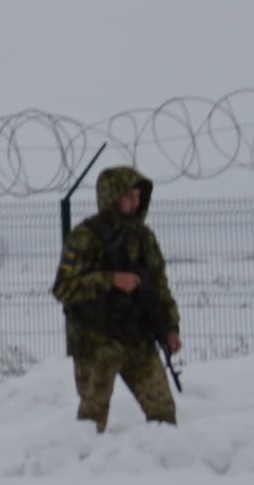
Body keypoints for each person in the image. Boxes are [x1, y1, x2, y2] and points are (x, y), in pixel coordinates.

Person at [51, 164, 180, 429]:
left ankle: (161, 467)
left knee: (163, 413)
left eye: (138, 196)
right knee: (91, 421)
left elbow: (160, 287)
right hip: (96, 342)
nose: (136, 202)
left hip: (137, 337)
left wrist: (170, 327)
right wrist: (110, 280)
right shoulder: (85, 237)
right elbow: (64, 288)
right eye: (128, 196)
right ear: (112, 197)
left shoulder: (144, 238)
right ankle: (78, 467)